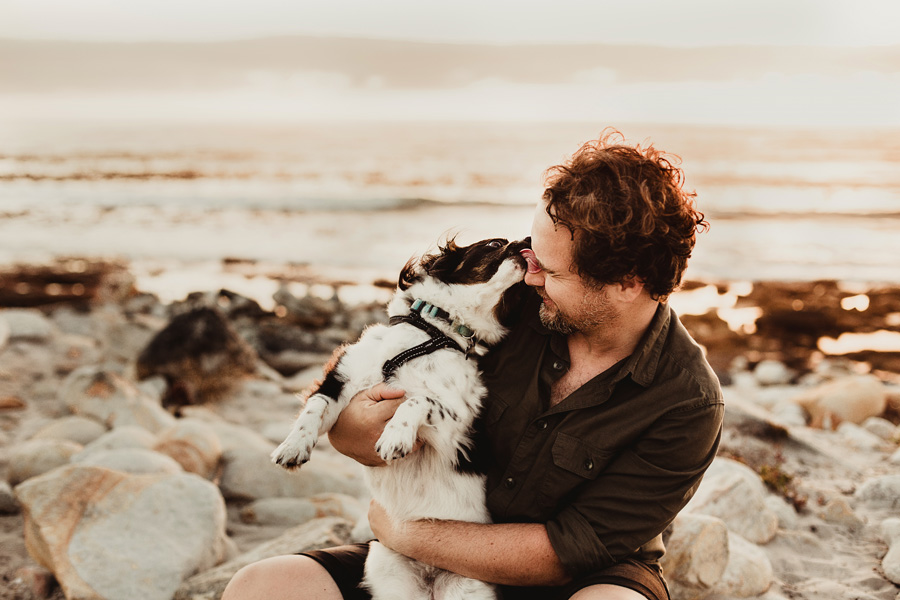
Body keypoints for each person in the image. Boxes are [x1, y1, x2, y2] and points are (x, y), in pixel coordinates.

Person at [223, 129, 724, 600]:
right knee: (262, 587)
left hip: (578, 579)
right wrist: (356, 421)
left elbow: (566, 551)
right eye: (531, 252)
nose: (527, 274)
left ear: (626, 282)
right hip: (427, 547)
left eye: (549, 270)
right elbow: (364, 387)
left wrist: (404, 531)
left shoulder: (687, 401)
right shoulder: (504, 300)